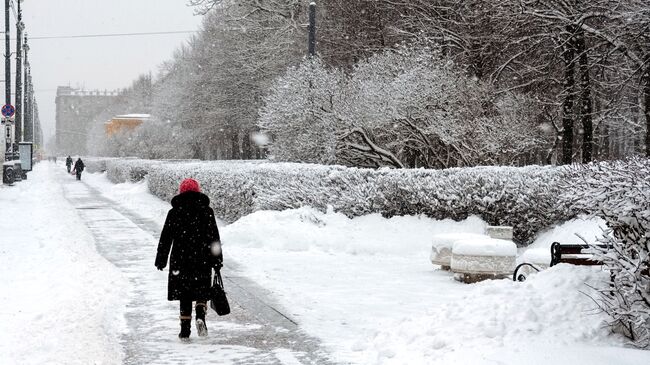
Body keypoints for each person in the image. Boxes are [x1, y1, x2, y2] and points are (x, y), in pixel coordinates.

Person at [155, 178, 222, 341]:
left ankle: (185, 329)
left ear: (181, 192)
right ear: (198, 191)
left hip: (180, 259)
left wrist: (161, 259)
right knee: (201, 290)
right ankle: (200, 315)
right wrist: (217, 260)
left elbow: (166, 238)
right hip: (202, 259)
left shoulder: (174, 212)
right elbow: (214, 238)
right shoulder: (207, 211)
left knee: (184, 293)